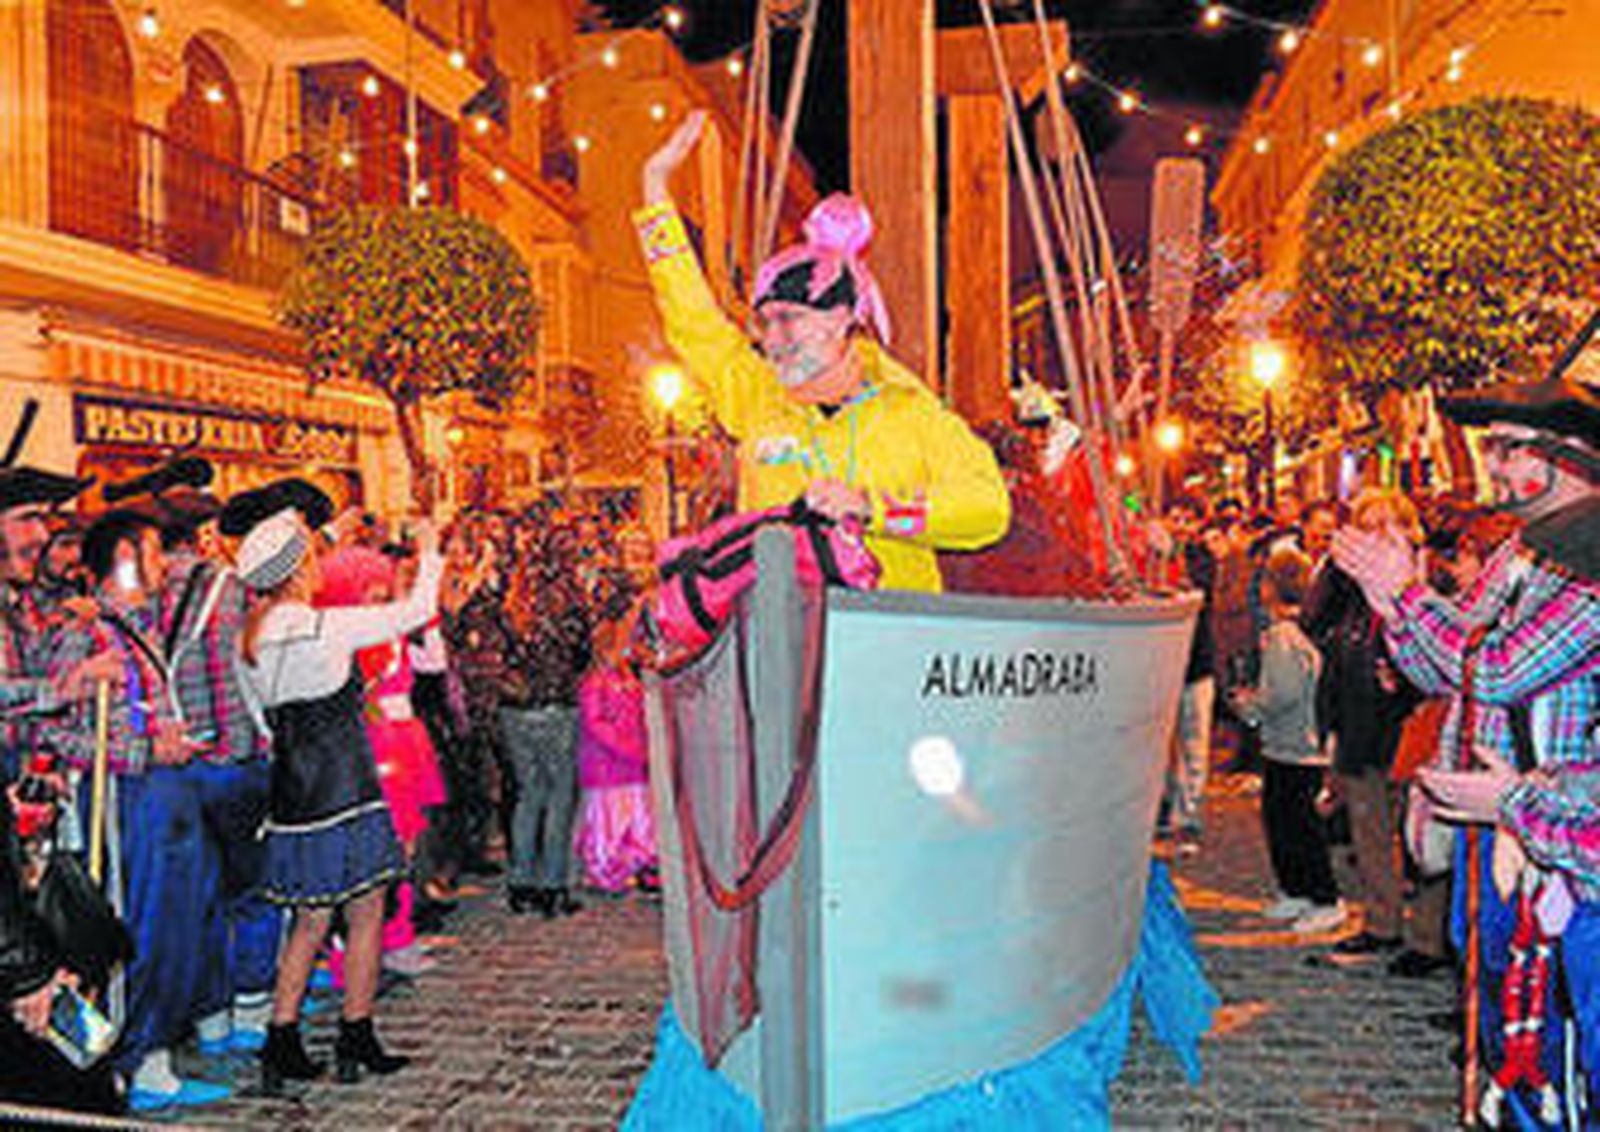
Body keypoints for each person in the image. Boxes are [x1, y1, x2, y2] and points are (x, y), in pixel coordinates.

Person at [1332, 325, 1600, 1126]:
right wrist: (1393, 603)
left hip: (1562, 847)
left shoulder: (1588, 570)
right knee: (1506, 1033)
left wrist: (1403, 598)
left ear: (1569, 456)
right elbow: (1445, 666)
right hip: (1505, 829)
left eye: (1511, 446)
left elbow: (1500, 668)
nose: (1491, 463)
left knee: (1551, 1047)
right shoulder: (1525, 554)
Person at [636, 111, 1009, 594]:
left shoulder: (910, 410)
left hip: (890, 640)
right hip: (777, 642)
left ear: (841, 320)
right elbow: (692, 318)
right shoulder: (755, 394)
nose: (774, 337)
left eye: (790, 318)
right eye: (766, 320)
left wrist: (872, 508)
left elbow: (988, 506)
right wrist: (654, 190)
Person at [234, 495, 441, 1092]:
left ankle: (282, 1038)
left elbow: (264, 725)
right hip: (346, 789)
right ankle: (356, 1033)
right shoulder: (327, 625)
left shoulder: (249, 642)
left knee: (308, 920)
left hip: (294, 797)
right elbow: (420, 609)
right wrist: (428, 547)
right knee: (366, 911)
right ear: (299, 569)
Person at [45, 507, 226, 1111]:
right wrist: (147, 750)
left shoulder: (137, 625)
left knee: (181, 920)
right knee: (140, 926)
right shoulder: (84, 633)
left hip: (168, 791)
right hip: (127, 798)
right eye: (152, 552)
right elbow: (58, 733)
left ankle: (157, 1055)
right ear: (124, 557)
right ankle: (130, 1060)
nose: (165, 564)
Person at [1302, 488, 1423, 959]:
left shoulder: (1422, 579)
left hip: (1407, 723)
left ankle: (1430, 941)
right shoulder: (1348, 588)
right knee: (1369, 828)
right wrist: (1338, 568)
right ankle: (1382, 922)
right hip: (1359, 719)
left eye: (1383, 525)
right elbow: (1314, 619)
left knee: (1419, 836)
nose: (1374, 538)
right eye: (1365, 526)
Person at [1230, 547, 1345, 934]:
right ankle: (1298, 890)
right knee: (1286, 822)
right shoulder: (1302, 628)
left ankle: (1323, 896)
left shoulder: (1283, 634)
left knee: (1295, 825)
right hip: (1299, 741)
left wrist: (1250, 707)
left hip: (1294, 744)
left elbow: (1282, 693)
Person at [573, 603, 656, 894]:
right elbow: (597, 726)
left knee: (636, 816)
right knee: (608, 821)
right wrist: (631, 747)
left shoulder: (627, 679)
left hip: (631, 764)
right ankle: (604, 869)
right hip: (607, 765)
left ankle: (637, 864)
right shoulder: (594, 684)